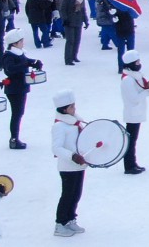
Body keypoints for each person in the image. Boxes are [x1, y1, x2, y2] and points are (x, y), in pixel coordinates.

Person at [51, 89, 87, 237]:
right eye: (72, 107)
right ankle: (60, 223)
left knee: (76, 194)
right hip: (68, 167)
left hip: (79, 165)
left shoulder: (75, 121)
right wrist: (72, 156)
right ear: (64, 109)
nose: (75, 108)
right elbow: (56, 148)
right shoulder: (59, 126)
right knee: (67, 195)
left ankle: (70, 218)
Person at [1, 29, 42, 150]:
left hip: (21, 87)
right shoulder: (8, 55)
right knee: (16, 114)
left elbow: (24, 61)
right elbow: (10, 69)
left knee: (19, 113)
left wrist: (33, 62)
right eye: (21, 41)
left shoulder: (18, 53)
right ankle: (14, 139)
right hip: (14, 88)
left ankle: (15, 137)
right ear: (14, 43)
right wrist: (26, 65)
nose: (23, 43)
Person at [119, 50, 149, 175]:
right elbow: (134, 99)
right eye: (137, 62)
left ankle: (133, 163)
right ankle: (129, 165)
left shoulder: (134, 77)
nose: (139, 64)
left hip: (136, 113)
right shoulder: (128, 80)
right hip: (132, 113)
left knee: (133, 140)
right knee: (131, 141)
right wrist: (148, 92)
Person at [60, 0, 88, 66]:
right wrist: (65, 19)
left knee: (77, 40)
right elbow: (63, 9)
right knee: (70, 40)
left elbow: (83, 10)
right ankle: (68, 59)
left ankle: (74, 56)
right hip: (69, 21)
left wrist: (85, 20)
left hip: (78, 21)